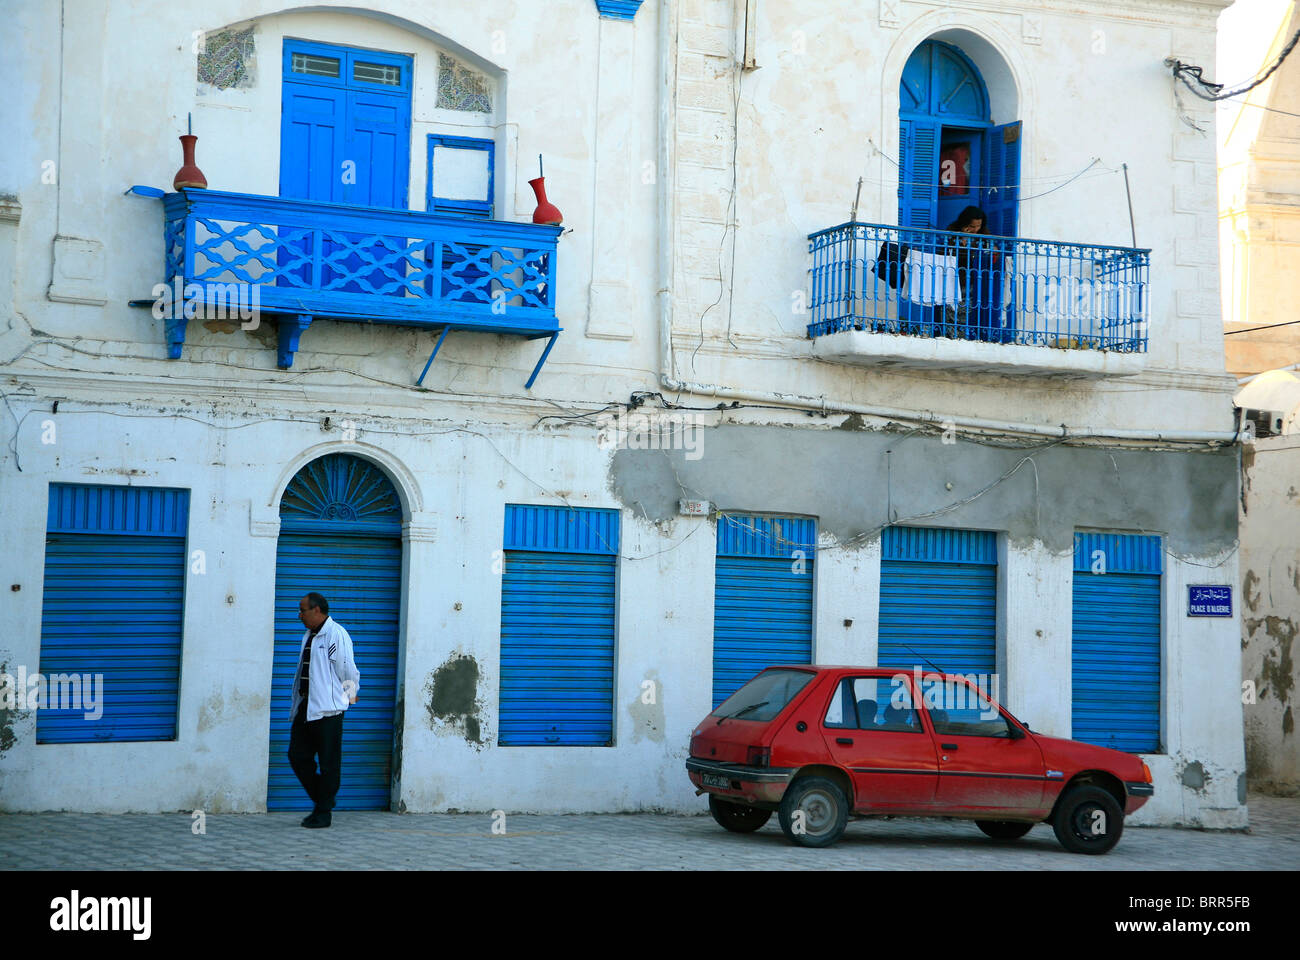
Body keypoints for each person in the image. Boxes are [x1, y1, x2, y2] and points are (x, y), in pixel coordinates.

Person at [287, 592, 360, 828]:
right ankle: (324, 800)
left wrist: (350, 695)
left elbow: (347, 669)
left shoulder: (335, 634)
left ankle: (323, 813)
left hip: (328, 710)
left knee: (329, 763)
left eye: (303, 610)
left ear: (317, 610)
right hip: (306, 706)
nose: (299, 615)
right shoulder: (310, 635)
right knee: (297, 756)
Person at [941, 205, 1005, 340]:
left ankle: (961, 337)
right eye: (973, 226)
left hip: (972, 278)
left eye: (978, 226)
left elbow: (993, 249)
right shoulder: (953, 230)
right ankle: (949, 337)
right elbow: (946, 253)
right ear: (965, 223)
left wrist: (993, 249)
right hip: (953, 278)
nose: (976, 229)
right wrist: (963, 240)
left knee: (966, 310)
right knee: (950, 309)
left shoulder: (983, 233)